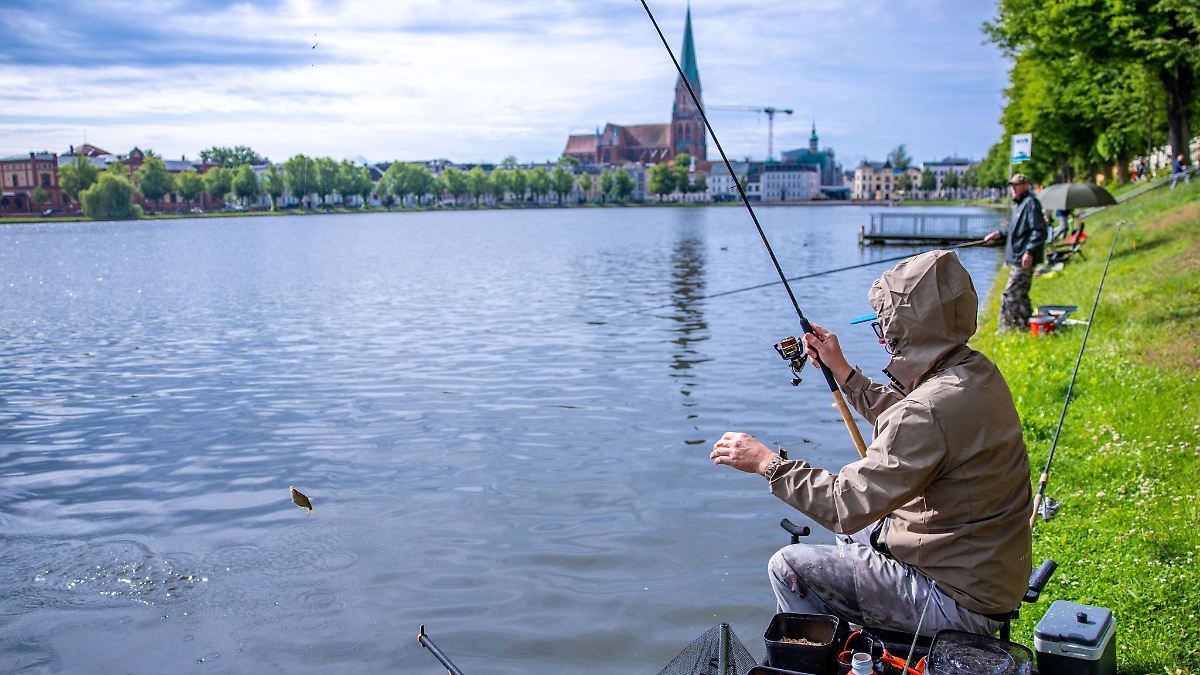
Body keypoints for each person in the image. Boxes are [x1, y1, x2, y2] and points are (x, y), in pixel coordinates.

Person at [709, 250, 1032, 637]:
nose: (882, 338)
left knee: (790, 567)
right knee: (855, 534)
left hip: (957, 600)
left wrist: (767, 463)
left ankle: (813, 661)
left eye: (886, 330)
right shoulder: (975, 372)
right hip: (984, 570)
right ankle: (863, 641)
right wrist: (844, 373)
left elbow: (845, 503)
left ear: (907, 332)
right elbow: (913, 422)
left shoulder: (928, 410)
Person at [984, 173, 1046, 331]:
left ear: (1025, 185)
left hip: (1023, 258)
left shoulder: (1031, 203)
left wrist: (1030, 252)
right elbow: (1016, 231)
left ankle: (1005, 330)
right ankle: (1025, 325)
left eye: (1016, 185)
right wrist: (1000, 234)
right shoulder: (1020, 204)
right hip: (1018, 257)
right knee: (1021, 294)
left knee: (1010, 294)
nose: (1013, 188)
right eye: (1011, 186)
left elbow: (1039, 231)